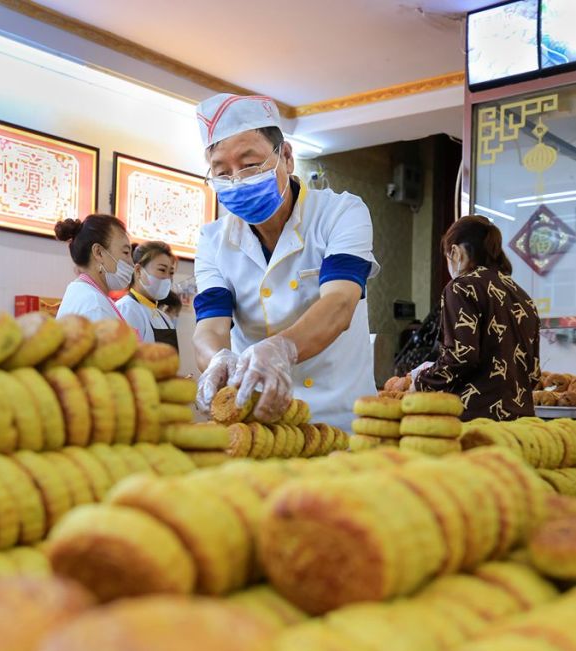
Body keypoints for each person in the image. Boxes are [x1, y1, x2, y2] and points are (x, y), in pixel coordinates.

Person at [192, 93, 379, 429]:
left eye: (250, 164)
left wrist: (282, 348)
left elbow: (339, 303)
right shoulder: (212, 241)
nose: (237, 180)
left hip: (341, 419)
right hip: (260, 421)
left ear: (287, 157)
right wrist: (217, 359)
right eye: (221, 172)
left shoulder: (340, 213)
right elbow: (211, 326)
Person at [413, 215, 540, 420]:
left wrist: (420, 382)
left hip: (478, 421)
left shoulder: (462, 287)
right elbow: (533, 373)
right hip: (522, 422)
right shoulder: (522, 296)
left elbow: (462, 355)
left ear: (455, 251)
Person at [55, 215, 134, 322]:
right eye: (126, 252)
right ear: (99, 253)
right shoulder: (96, 306)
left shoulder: (81, 292)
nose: (131, 263)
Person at [116, 241, 178, 349]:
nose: (167, 278)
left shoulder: (164, 318)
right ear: (138, 271)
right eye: (162, 270)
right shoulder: (126, 309)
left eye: (171, 272)